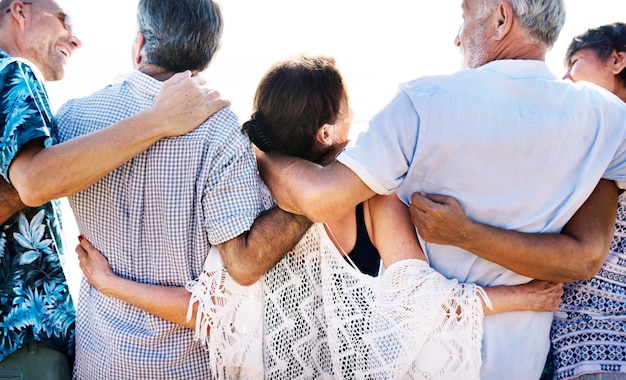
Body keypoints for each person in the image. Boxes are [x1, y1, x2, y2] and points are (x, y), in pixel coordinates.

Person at [75, 53, 563, 379]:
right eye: (350, 109)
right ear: (328, 133)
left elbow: (204, 310)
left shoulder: (246, 196)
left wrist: (109, 283)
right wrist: (520, 296)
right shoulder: (373, 196)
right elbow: (421, 298)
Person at [254, 1, 626, 379]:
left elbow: (319, 198)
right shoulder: (607, 120)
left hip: (424, 358)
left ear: (501, 18)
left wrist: (263, 154)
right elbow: (584, 258)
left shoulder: (424, 103)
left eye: (465, 16)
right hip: (520, 360)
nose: (457, 37)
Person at [55, 0, 310, 378]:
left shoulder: (73, 119)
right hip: (188, 366)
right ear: (205, 57)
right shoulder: (220, 131)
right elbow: (239, 276)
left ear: (140, 45)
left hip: (99, 362)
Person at [0, 0, 225, 378]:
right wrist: (159, 119)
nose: (75, 39)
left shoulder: (65, 112)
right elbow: (34, 181)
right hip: (22, 334)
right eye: (63, 19)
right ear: (19, 11)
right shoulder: (13, 72)